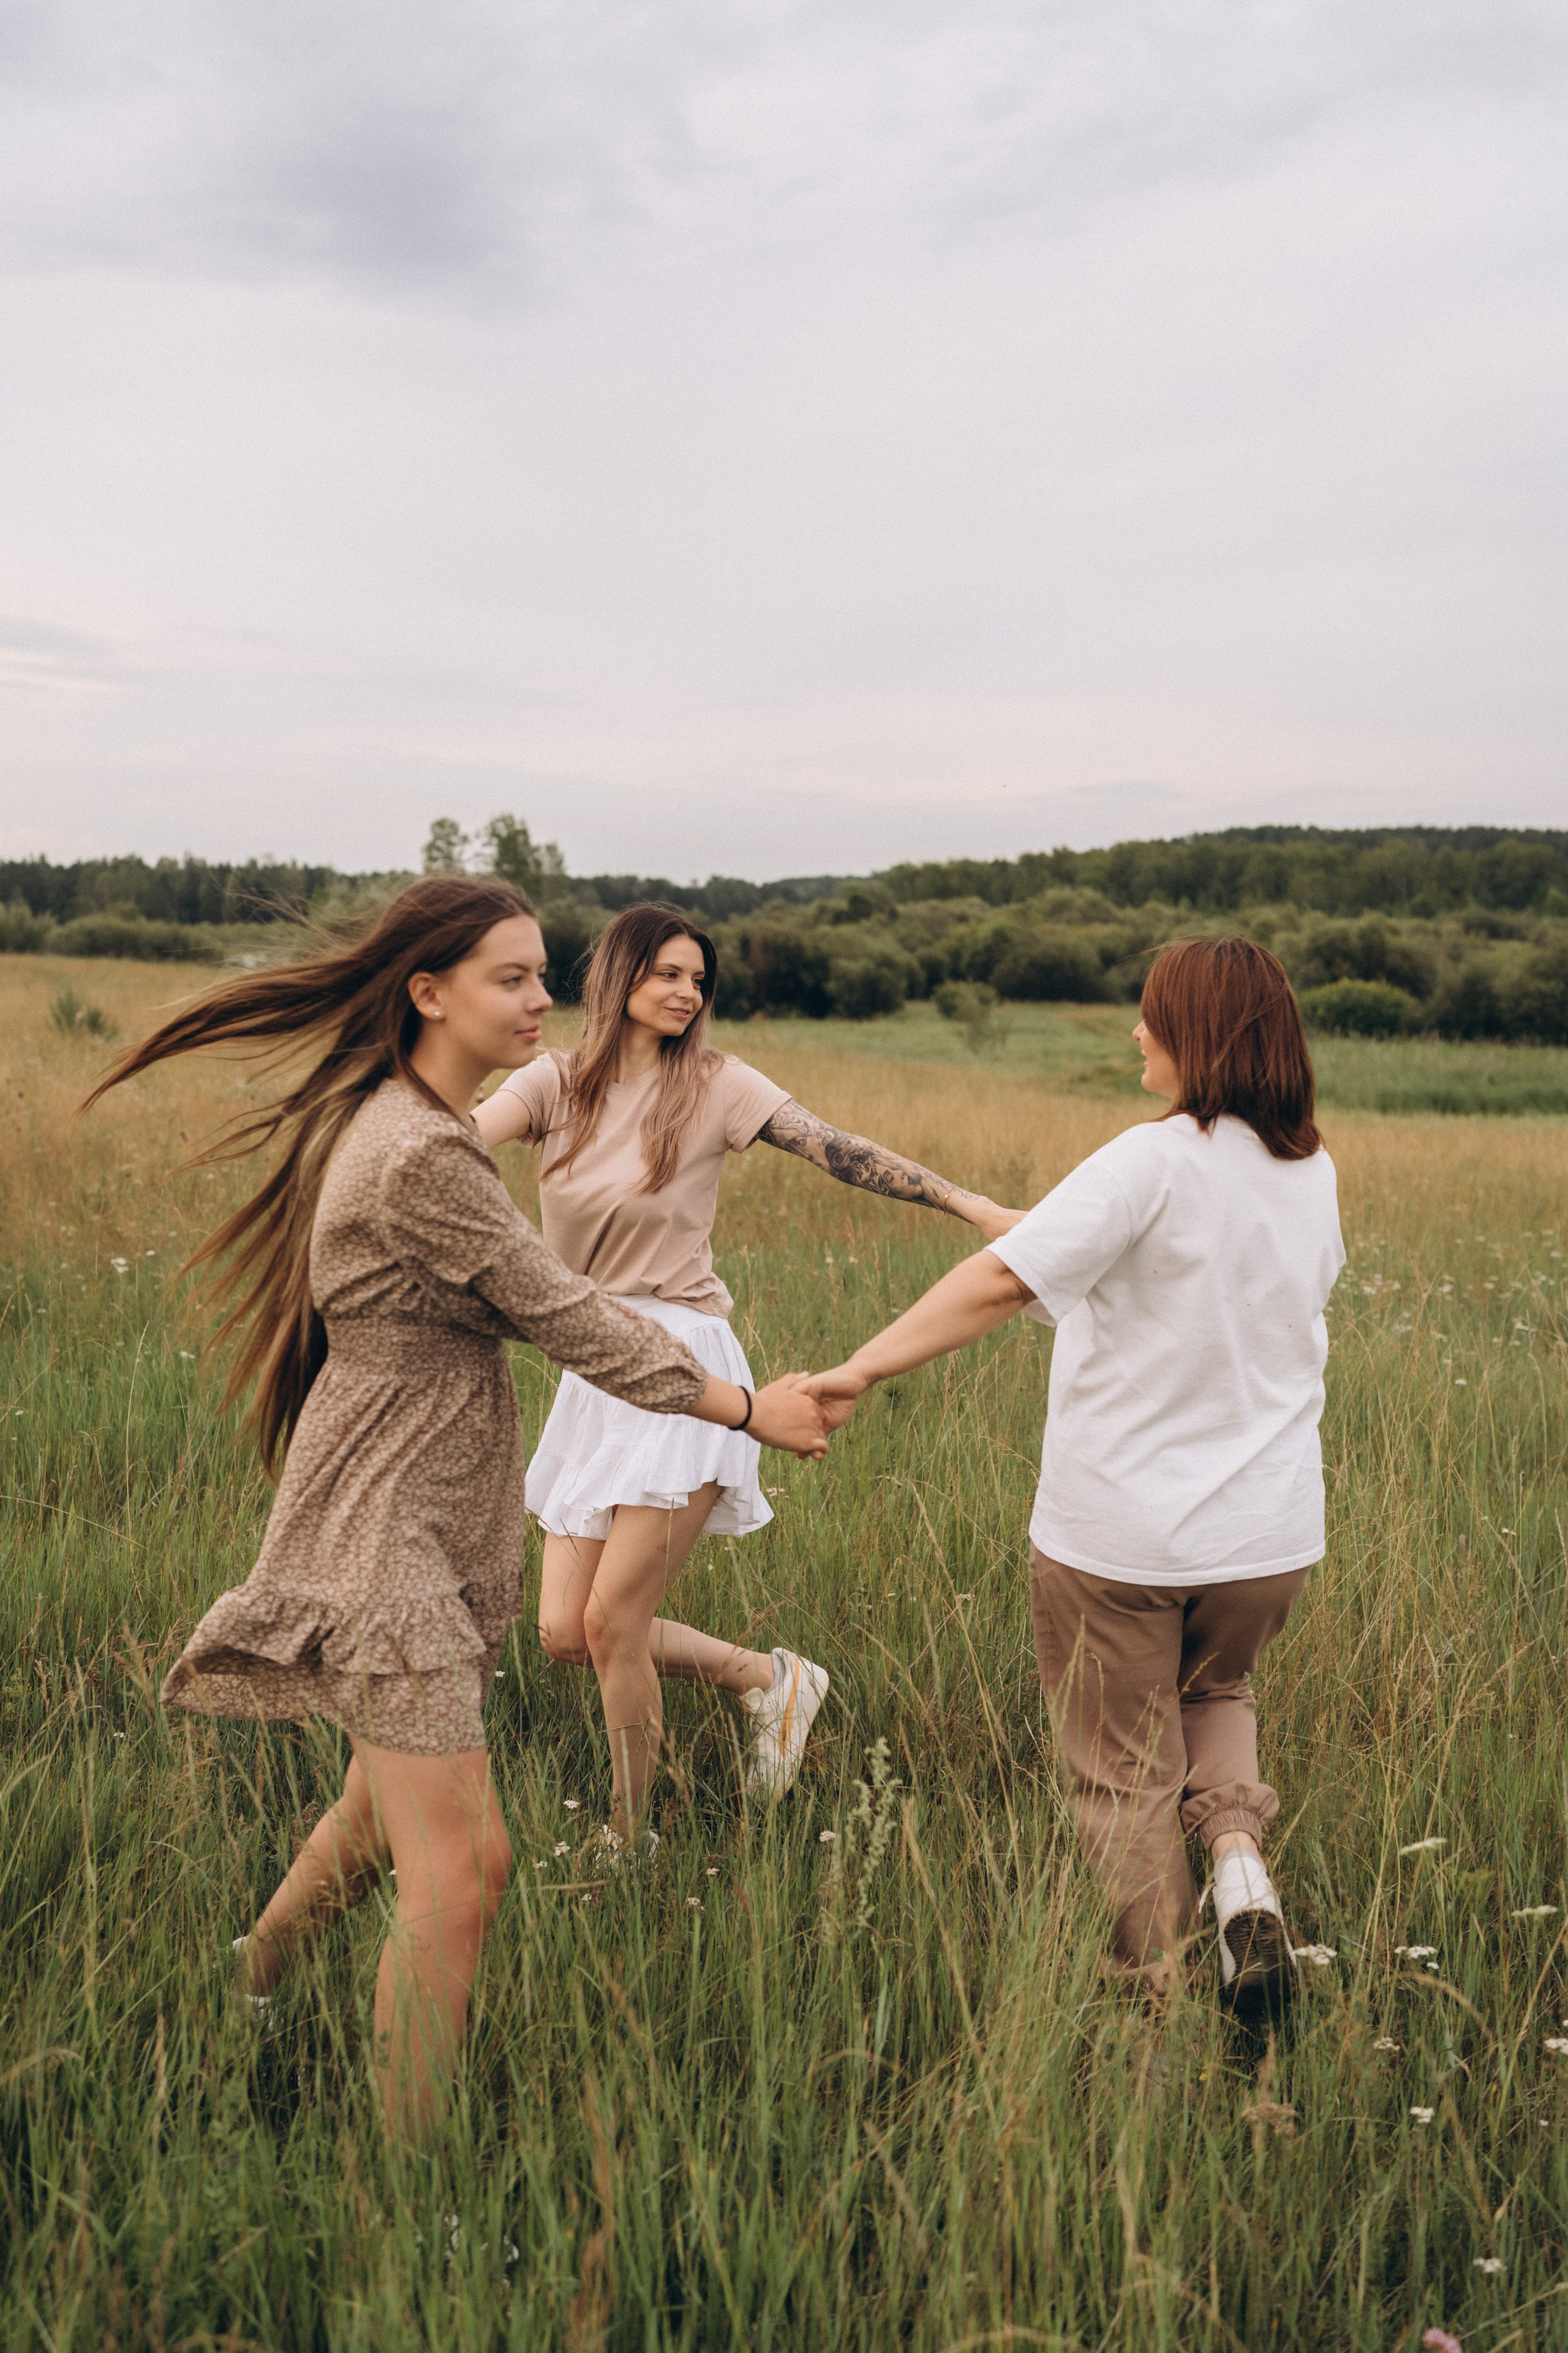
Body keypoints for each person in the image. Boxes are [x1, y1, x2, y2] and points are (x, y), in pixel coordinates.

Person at [86, 877, 829, 2136]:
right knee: (468, 1871)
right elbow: (567, 1314)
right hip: (387, 1541)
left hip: (408, 1525)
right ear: (427, 992)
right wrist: (748, 1409)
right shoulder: (419, 1153)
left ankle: (247, 1988)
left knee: (378, 1809)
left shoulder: (407, 1125)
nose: (544, 996)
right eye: (512, 977)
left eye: (544, 972)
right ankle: (410, 2189)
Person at [807, 937, 1344, 2010]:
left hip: (1123, 1540)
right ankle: (1240, 1871)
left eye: (1152, 1016)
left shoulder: (1152, 1158)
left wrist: (857, 1368)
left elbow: (1004, 1283)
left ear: (1200, 1032)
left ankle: (1165, 2001)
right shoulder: (1308, 1168)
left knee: (1121, 1772)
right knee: (1219, 1689)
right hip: (1269, 1539)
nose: (1136, 1032)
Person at [474, 901, 1021, 1839]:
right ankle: (765, 1677)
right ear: (619, 976)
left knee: (614, 1623)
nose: (688, 992)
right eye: (668, 974)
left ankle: (628, 1832)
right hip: (593, 1361)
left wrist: (972, 1206)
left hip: (684, 1361)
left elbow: (839, 1150)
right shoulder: (554, 1084)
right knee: (566, 1632)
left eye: (699, 978)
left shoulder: (719, 1085)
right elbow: (462, 1139)